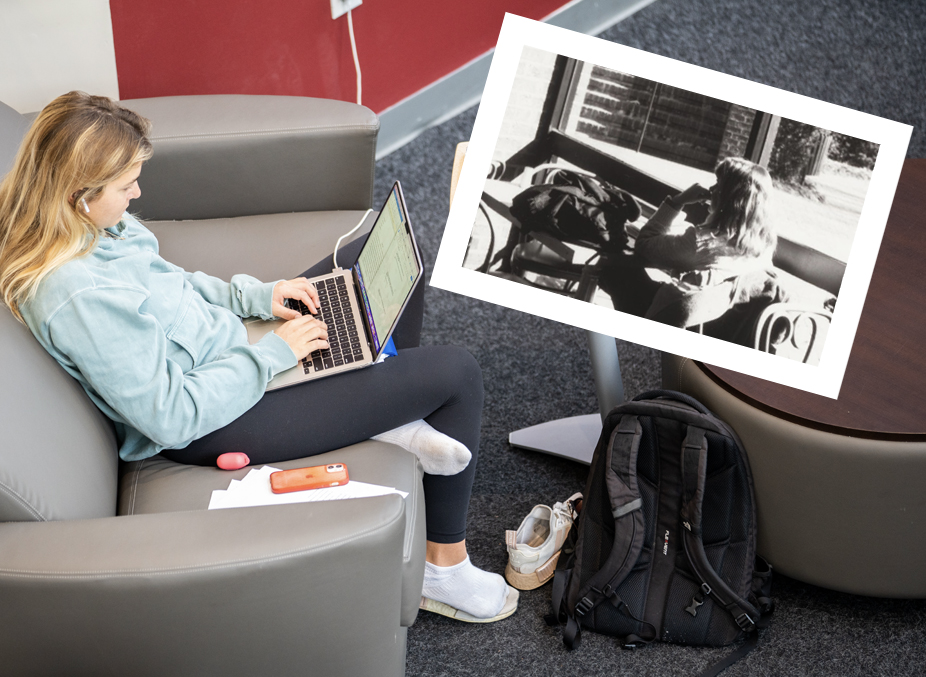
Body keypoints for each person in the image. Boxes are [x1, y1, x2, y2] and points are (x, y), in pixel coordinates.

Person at [0, 91, 516, 623]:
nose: (137, 191)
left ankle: (372, 398)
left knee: (379, 261)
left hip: (236, 351)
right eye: (125, 183)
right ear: (78, 194)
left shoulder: (93, 224)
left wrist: (258, 297)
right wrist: (273, 354)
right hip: (217, 421)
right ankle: (444, 567)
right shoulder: (79, 296)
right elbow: (170, 415)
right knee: (457, 374)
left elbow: (173, 284)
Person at [598, 157, 778, 330]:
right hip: (706, 320)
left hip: (667, 318)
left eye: (718, 185)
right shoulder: (762, 246)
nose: (711, 188)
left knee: (612, 268)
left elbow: (644, 244)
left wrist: (678, 201)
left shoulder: (701, 242)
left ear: (730, 199)